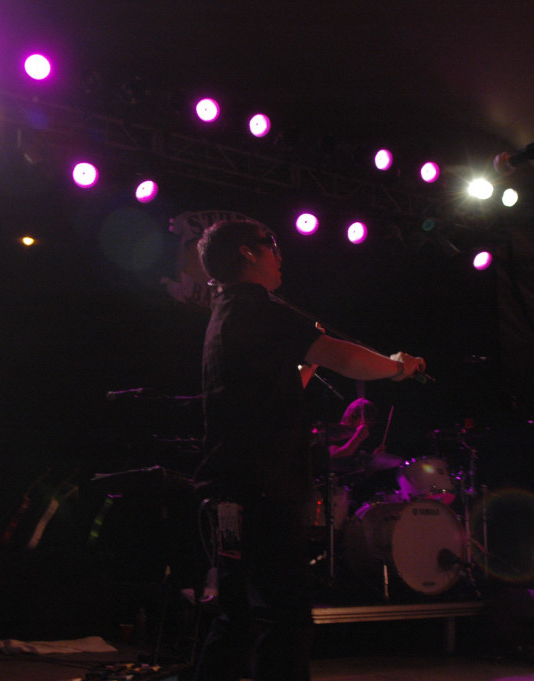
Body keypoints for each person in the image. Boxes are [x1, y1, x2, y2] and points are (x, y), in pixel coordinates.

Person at [193, 219, 426, 681]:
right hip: (264, 490)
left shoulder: (227, 314)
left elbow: (271, 389)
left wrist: (306, 358)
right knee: (287, 617)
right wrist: (398, 367)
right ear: (247, 252)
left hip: (232, 491)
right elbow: (347, 357)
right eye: (271, 245)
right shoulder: (258, 307)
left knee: (238, 616)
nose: (279, 255)